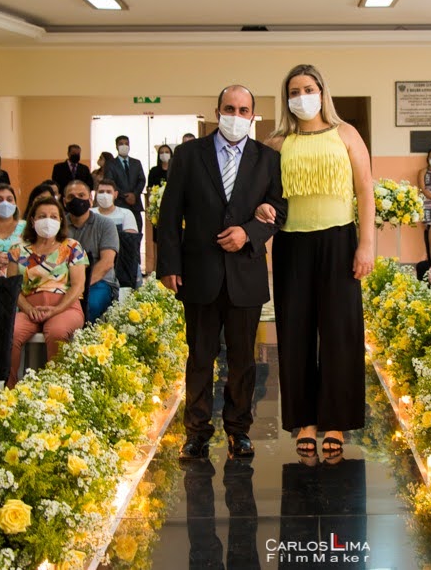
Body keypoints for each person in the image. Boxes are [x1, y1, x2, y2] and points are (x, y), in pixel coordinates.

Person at [158, 84, 286, 461]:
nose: (236, 116)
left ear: (252, 116)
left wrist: (249, 232)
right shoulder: (188, 154)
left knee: (244, 359)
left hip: (245, 272)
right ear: (218, 112)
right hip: (199, 272)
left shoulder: (267, 159)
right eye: (229, 109)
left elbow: (280, 210)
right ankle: (196, 432)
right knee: (200, 356)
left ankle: (238, 430)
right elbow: (169, 213)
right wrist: (169, 265)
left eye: (243, 110)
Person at [262, 64, 375, 461]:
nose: (302, 97)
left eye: (308, 89)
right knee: (295, 331)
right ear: (286, 98)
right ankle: (305, 422)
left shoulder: (346, 134)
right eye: (294, 91)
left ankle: (336, 421)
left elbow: (365, 190)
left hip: (339, 240)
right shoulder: (277, 142)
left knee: (340, 331)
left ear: (323, 92)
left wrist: (366, 245)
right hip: (292, 243)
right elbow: (262, 194)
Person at [6, 197, 87, 387]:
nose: (48, 220)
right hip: (29, 310)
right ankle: (9, 390)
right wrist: (27, 308)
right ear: (32, 220)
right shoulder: (18, 250)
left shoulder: (72, 247)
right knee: (11, 332)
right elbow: (11, 286)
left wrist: (56, 310)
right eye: (42, 216)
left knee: (57, 332)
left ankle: (55, 390)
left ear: (61, 221)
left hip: (65, 308)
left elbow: (78, 286)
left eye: (53, 216)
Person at [63, 180, 119, 322]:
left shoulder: (106, 225)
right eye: (71, 197)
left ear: (90, 199)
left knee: (89, 306)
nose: (76, 200)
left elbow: (107, 263)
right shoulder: (59, 226)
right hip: (64, 283)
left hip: (98, 282)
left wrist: (79, 287)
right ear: (64, 202)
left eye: (81, 195)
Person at [104, 135, 146, 234]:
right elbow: (110, 182)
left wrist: (134, 194)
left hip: (135, 204)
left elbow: (142, 180)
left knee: (137, 231)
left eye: (126, 144)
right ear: (116, 146)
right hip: (119, 203)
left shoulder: (136, 163)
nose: (124, 146)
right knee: (119, 234)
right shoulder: (110, 164)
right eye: (121, 144)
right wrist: (124, 196)